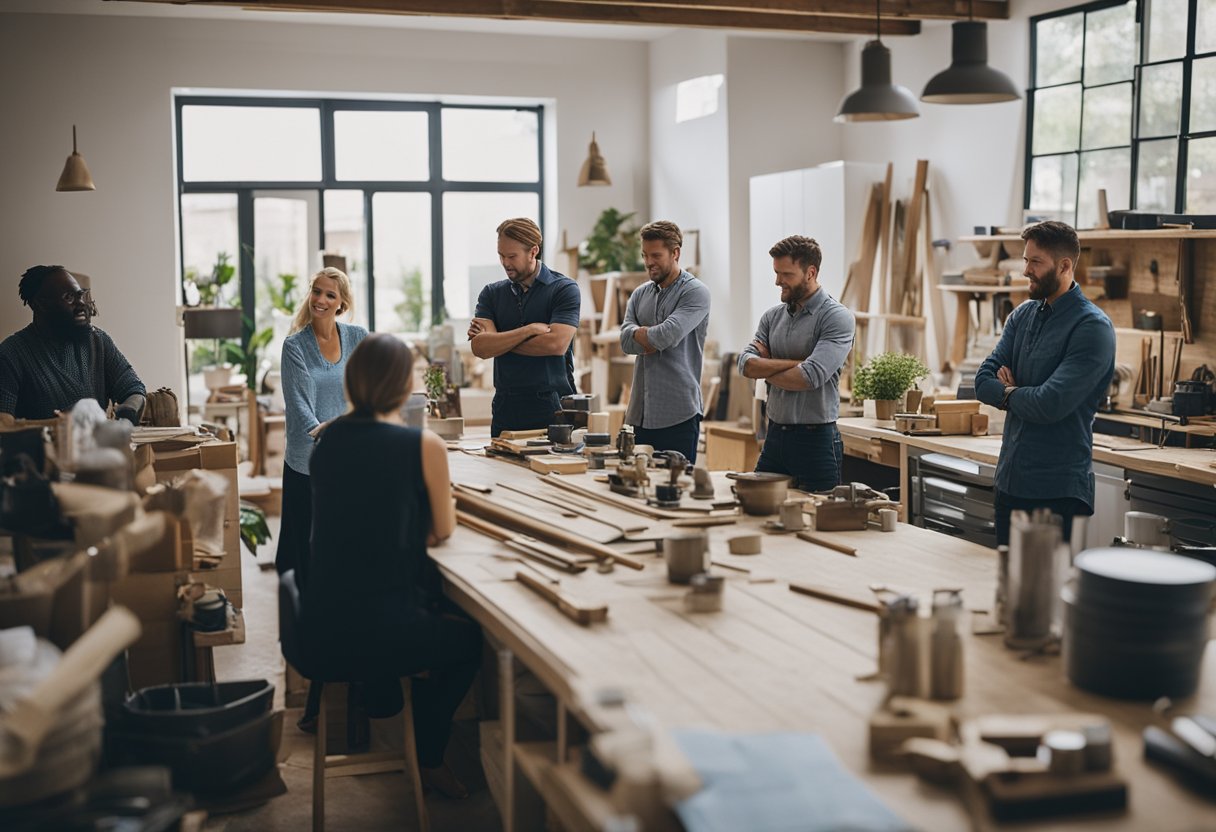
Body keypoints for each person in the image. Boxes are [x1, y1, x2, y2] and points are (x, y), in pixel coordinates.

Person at [303, 333, 481, 799]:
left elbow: (350, 520)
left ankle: (379, 696)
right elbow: (443, 531)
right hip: (383, 629)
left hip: (321, 631)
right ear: (405, 387)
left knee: (383, 596)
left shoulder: (326, 443)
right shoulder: (422, 446)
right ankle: (429, 757)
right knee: (467, 641)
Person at [975, 221, 1115, 546]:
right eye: (1025, 260)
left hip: (1056, 491)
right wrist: (1018, 394)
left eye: (1035, 262)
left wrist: (1007, 393)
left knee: (1046, 591)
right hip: (1010, 481)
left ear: (1065, 266)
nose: (1025, 270)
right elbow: (982, 380)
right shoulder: (1022, 315)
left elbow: (1050, 403)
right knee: (1005, 586)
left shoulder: (1092, 327)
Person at [738, 236, 854, 491]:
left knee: (819, 523)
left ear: (810, 272)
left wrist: (766, 366)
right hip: (775, 437)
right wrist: (795, 363)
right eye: (776, 273)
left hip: (816, 442)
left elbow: (808, 377)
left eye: (786, 274)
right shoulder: (771, 317)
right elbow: (745, 365)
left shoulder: (837, 317)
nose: (778, 281)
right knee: (758, 512)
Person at [276, 267, 367, 585]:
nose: (321, 299)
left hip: (348, 460)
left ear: (341, 303)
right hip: (307, 463)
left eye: (330, 294)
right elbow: (301, 412)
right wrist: (342, 431)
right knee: (303, 551)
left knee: (345, 547)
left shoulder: (358, 338)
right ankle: (302, 624)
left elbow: (368, 393)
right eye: (317, 291)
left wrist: (351, 430)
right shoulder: (294, 347)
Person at [467, 218, 581, 437]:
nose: (505, 262)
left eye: (512, 256)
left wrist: (497, 341)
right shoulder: (491, 293)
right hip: (505, 405)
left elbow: (556, 344)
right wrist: (528, 331)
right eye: (501, 255)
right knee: (501, 470)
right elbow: (480, 349)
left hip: (551, 405)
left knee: (551, 470)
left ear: (533, 251)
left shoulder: (564, 289)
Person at [0, 265, 145, 421]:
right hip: (39, 445)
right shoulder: (11, 353)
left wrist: (129, 409)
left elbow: (133, 388)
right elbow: (3, 425)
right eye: (69, 297)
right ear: (39, 305)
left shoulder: (98, 341)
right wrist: (61, 424)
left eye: (80, 295)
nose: (81, 303)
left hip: (98, 444)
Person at [618, 220, 710, 462]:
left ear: (675, 253)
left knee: (676, 489)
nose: (649, 262)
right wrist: (647, 337)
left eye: (656, 255)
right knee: (637, 486)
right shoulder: (639, 294)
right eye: (645, 255)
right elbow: (625, 341)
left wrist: (642, 334)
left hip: (678, 415)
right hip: (639, 414)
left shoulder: (695, 293)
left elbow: (667, 336)